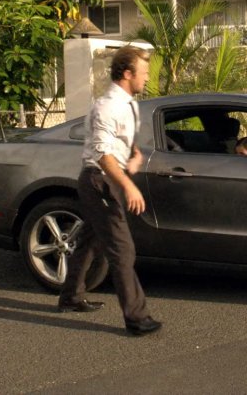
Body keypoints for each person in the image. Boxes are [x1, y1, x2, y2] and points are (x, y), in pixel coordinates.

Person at [58, 45, 161, 337]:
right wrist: (128, 185)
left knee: (91, 240)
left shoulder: (128, 103)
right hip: (99, 180)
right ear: (127, 73)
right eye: (143, 73)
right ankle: (137, 318)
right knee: (122, 249)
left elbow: (122, 140)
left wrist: (135, 154)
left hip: (108, 179)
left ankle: (70, 296)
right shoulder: (107, 106)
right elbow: (103, 154)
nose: (147, 79)